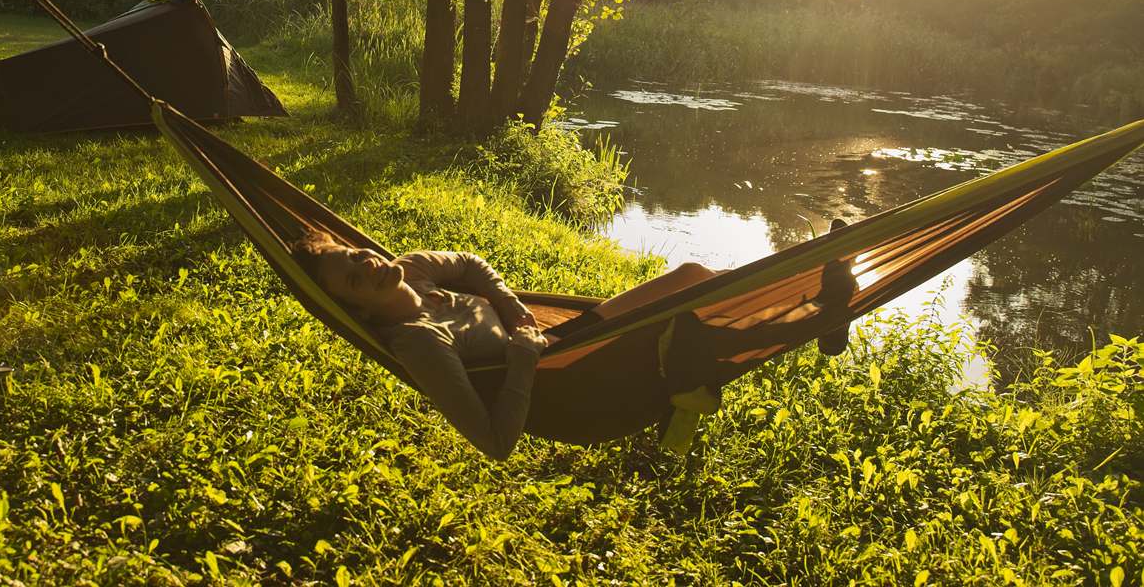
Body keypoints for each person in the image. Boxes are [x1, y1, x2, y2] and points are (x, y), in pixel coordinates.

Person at [294, 227, 858, 458]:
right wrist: (521, 360)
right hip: (562, 378)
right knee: (689, 314)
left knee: (692, 277)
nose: (366, 264)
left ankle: (818, 312)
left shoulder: (412, 268)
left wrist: (513, 307)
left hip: (554, 338)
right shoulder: (417, 343)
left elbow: (469, 264)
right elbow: (494, 442)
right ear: (358, 308)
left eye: (353, 256)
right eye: (351, 279)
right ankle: (818, 306)